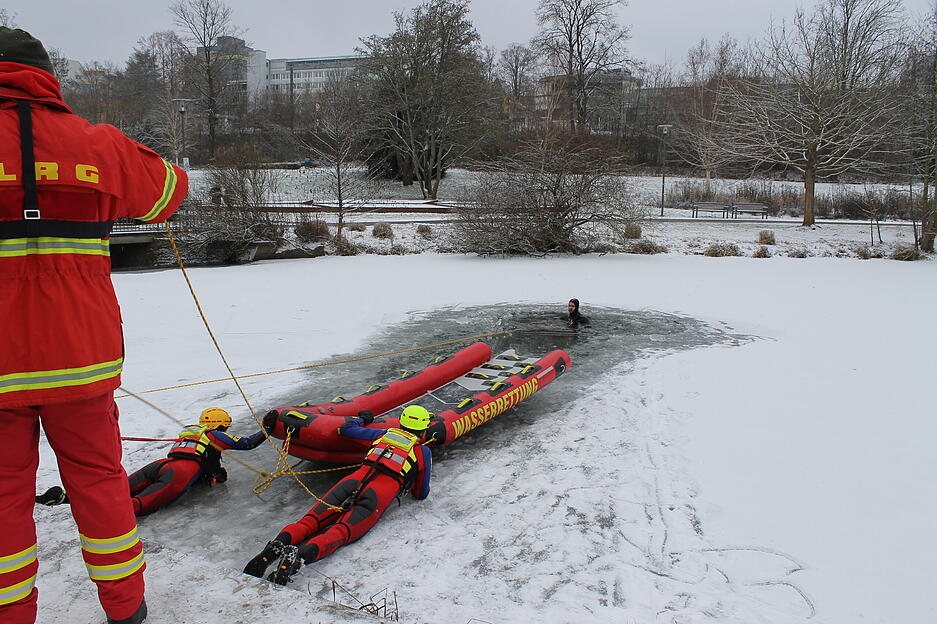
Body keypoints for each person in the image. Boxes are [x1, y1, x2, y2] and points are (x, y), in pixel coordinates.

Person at [0, 28, 187, 624]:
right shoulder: (97, 144)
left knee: (2, 504)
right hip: (83, 361)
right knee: (101, 486)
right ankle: (126, 610)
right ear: (47, 78)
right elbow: (169, 192)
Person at [243, 405, 433, 585]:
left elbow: (347, 429)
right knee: (341, 531)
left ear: (400, 423)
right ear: (423, 430)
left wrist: (362, 419)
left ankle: (274, 548)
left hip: (352, 480)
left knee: (309, 522)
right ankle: (299, 557)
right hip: (379, 493)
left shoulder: (383, 434)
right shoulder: (422, 451)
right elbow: (421, 493)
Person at [36, 408, 267, 516]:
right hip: (179, 473)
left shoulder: (191, 433)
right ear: (220, 424)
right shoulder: (215, 434)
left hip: (162, 465)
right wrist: (269, 427)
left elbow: (208, 462)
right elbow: (246, 443)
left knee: (118, 489)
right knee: (135, 507)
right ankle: (86, 509)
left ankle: (65, 497)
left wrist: (214, 474)